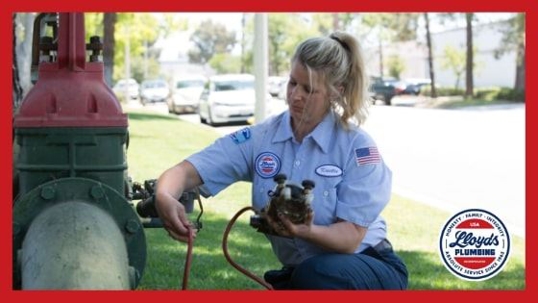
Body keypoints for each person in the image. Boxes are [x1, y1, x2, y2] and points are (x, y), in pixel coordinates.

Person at [154, 31, 408, 290]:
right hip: (309, 275)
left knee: (313, 275)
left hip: (368, 264)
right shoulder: (262, 138)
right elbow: (187, 171)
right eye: (292, 83)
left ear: (335, 92)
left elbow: (351, 238)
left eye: (309, 89)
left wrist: (306, 231)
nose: (296, 95)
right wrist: (164, 196)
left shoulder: (357, 147)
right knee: (309, 275)